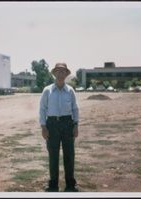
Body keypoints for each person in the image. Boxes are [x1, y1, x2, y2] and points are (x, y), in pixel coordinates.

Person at [39, 63, 79, 192]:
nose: (60, 74)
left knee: (69, 155)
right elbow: (42, 109)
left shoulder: (70, 90)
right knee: (53, 155)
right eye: (58, 71)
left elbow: (75, 109)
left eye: (63, 71)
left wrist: (76, 125)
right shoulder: (47, 90)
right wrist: (43, 127)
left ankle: (70, 184)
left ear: (66, 74)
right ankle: (53, 184)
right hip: (52, 125)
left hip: (68, 124)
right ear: (54, 74)